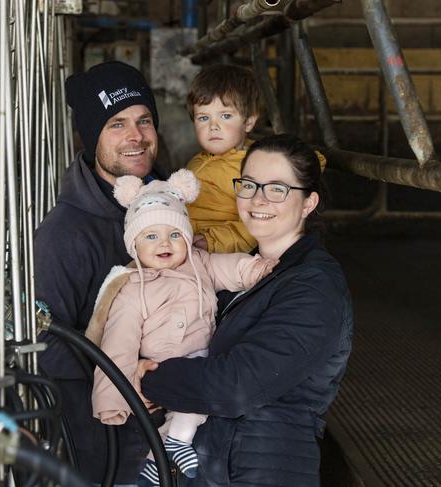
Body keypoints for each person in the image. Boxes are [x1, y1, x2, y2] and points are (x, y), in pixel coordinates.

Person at [138, 134, 354, 486]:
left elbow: (237, 385)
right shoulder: (243, 270)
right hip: (220, 461)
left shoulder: (314, 286)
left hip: (264, 467)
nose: (258, 199)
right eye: (249, 184)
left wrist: (147, 378)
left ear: (308, 203)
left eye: (278, 189)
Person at [85, 169, 276, 486]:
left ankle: (161, 455)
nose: (165, 244)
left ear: (187, 238)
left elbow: (229, 267)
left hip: (203, 361)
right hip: (162, 367)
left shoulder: (199, 263)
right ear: (134, 244)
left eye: (175, 235)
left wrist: (257, 268)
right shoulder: (133, 289)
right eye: (151, 236)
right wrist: (112, 399)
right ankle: (171, 447)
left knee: (201, 404)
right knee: (191, 405)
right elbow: (117, 346)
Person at [33, 61, 165, 484]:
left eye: (144, 120)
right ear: (91, 138)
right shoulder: (66, 232)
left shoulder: (172, 207)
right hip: (109, 447)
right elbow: (47, 347)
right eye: (116, 124)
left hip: (177, 429)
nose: (136, 137)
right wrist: (129, 373)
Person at [185, 64, 326, 254]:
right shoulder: (199, 160)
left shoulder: (256, 169)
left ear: (249, 122)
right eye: (203, 118)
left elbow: (257, 223)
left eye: (225, 116)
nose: (213, 126)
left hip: (221, 254)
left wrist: (213, 240)